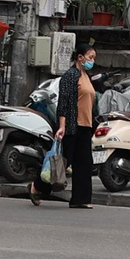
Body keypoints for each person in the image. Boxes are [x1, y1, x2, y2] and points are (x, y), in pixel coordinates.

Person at [45, 42, 97, 209]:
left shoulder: (86, 76)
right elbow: (64, 102)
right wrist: (62, 126)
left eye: (94, 58)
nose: (92, 61)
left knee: (84, 163)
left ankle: (80, 199)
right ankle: (38, 187)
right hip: (72, 125)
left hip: (85, 126)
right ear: (80, 58)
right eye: (90, 57)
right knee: (63, 162)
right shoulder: (71, 75)